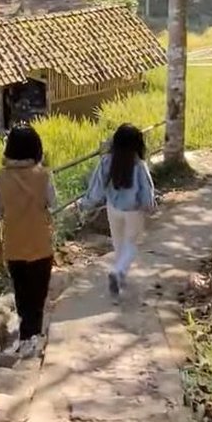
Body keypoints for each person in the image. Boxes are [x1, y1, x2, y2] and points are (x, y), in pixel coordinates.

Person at [0, 125, 56, 358]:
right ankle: (31, 337)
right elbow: (52, 202)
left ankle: (28, 335)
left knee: (22, 293)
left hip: (14, 245)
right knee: (38, 294)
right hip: (40, 243)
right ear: (36, 148)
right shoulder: (44, 174)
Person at [81, 123, 157, 298]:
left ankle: (119, 273)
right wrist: (150, 206)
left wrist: (86, 204)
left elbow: (96, 187)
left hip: (113, 208)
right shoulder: (139, 165)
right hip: (134, 211)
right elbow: (147, 189)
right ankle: (118, 272)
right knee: (131, 244)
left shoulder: (106, 161)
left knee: (118, 242)